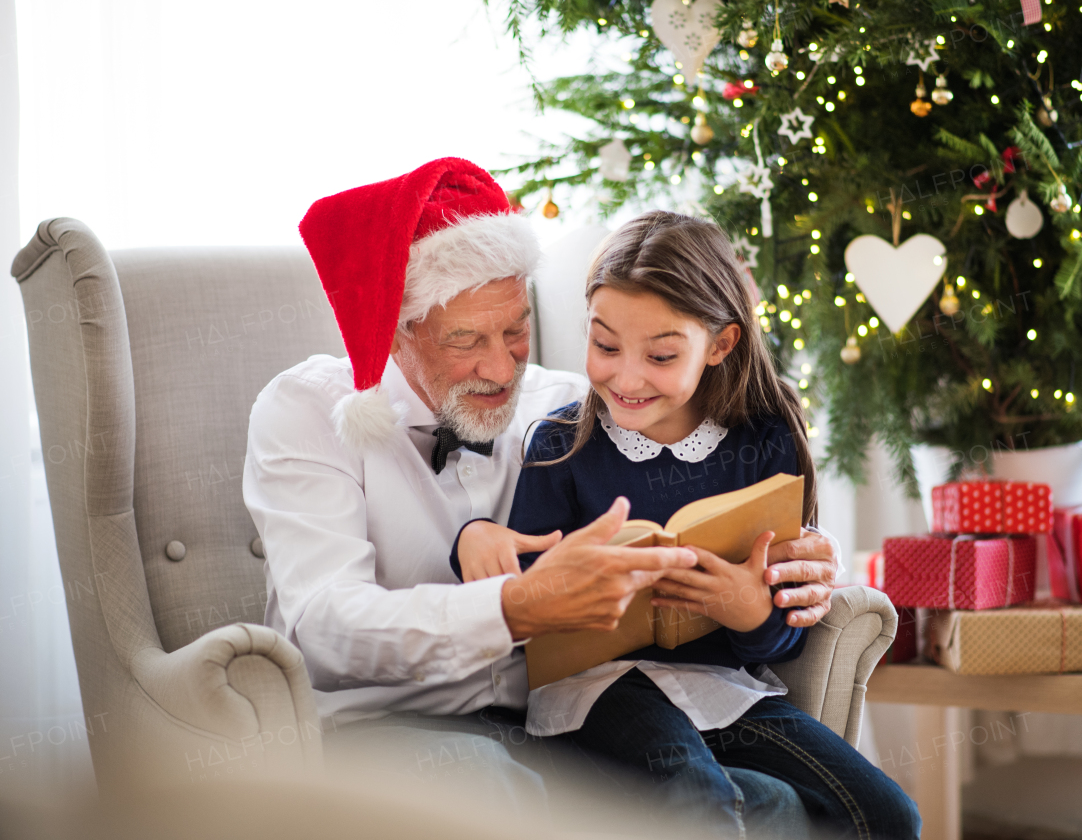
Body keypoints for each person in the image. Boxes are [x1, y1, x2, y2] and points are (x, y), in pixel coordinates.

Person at [242, 159, 843, 830]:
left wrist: (806, 557)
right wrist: (512, 607)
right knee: (493, 787)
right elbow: (322, 629)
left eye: (515, 329)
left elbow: (704, 469)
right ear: (397, 330)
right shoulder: (307, 411)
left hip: (551, 727)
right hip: (384, 729)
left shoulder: (567, 408)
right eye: (465, 341)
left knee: (772, 806)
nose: (501, 368)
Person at [456, 211, 920, 839]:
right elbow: (524, 606)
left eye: (662, 354)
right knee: (698, 795)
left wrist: (749, 609)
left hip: (724, 689)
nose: (626, 376)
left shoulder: (767, 437)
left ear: (721, 345)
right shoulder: (562, 444)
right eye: (605, 345)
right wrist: (486, 552)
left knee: (889, 813)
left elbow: (787, 629)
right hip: (597, 692)